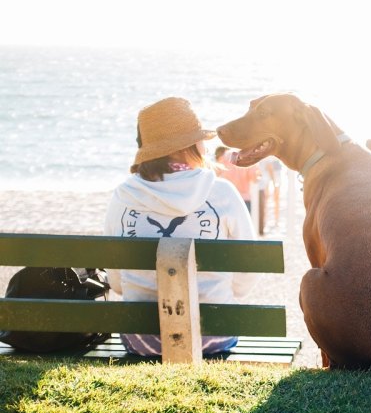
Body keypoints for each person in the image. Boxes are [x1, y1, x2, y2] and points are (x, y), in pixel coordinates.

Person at [104, 97, 257, 356]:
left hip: (142, 338)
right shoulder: (221, 192)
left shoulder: (123, 195)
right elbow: (248, 269)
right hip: (214, 333)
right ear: (192, 145)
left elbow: (117, 283)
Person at [215, 146, 259, 213]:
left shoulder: (226, 155)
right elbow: (254, 179)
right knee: (244, 223)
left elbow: (217, 173)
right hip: (244, 199)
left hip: (228, 198)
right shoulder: (249, 156)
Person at [257, 156, 282, 234]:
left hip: (271, 167)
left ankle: (273, 220)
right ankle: (273, 220)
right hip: (268, 167)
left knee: (272, 198)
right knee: (271, 198)